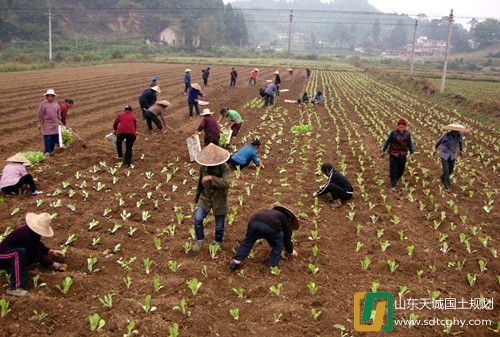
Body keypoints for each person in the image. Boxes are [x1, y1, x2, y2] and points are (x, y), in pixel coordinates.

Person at [0, 212, 66, 297]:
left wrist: (50, 251)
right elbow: (37, 255)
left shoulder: (31, 233)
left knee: (25, 252)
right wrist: (55, 264)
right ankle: (14, 288)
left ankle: (15, 269)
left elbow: (37, 245)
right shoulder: (26, 235)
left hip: (8, 256)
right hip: (2, 256)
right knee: (19, 253)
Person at [229, 206, 299, 271]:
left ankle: (235, 262)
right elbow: (287, 239)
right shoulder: (285, 220)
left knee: (248, 241)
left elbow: (268, 233)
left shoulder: (270, 213)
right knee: (279, 242)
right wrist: (290, 250)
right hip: (270, 225)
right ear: (290, 219)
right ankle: (273, 263)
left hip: (254, 221)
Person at [192, 143, 231, 251]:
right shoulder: (203, 166)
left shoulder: (224, 168)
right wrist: (197, 196)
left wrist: (211, 178)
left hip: (219, 198)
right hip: (206, 196)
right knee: (198, 218)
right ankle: (200, 240)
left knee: (219, 225)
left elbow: (226, 183)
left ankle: (217, 242)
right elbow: (200, 182)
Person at [381, 118, 414, 192]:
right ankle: (393, 185)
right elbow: (387, 141)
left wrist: (412, 153)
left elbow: (409, 144)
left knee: (401, 170)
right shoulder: (393, 133)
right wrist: (383, 150)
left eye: (403, 127)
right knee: (393, 169)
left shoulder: (407, 134)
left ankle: (395, 179)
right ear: (397, 126)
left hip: (403, 154)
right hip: (393, 153)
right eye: (400, 127)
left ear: (405, 127)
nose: (401, 128)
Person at [435, 123, 467, 192]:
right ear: (451, 130)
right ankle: (447, 187)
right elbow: (439, 141)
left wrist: (461, 150)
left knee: (451, 170)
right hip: (444, 154)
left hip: (452, 155)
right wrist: (435, 148)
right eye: (454, 131)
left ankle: (442, 177)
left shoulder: (459, 136)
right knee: (446, 171)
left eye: (456, 131)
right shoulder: (446, 135)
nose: (455, 132)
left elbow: (461, 143)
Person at [36, 89, 61, 156]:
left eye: (51, 96)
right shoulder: (43, 104)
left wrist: (59, 120)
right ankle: (47, 151)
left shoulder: (56, 104)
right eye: (48, 96)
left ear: (53, 97)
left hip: (55, 124)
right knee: (47, 138)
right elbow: (39, 114)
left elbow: (58, 114)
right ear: (46, 97)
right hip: (47, 124)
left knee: (53, 138)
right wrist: (38, 123)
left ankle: (52, 150)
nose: (50, 97)